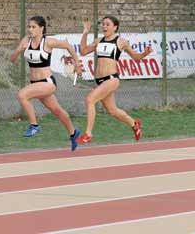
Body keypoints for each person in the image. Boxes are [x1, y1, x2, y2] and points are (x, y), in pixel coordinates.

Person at [10, 16, 83, 151]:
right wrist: (20, 49)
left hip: (47, 82)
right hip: (35, 83)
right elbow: (12, 59)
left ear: (41, 28)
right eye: (29, 27)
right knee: (57, 111)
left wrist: (77, 63)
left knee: (22, 95)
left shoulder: (48, 42)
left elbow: (67, 45)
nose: (30, 29)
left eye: (33, 27)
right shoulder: (26, 41)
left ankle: (34, 126)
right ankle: (73, 133)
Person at [78, 15, 153, 144]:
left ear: (115, 27)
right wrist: (85, 32)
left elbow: (135, 57)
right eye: (103, 24)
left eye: (107, 24)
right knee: (113, 111)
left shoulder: (121, 42)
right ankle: (134, 124)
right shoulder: (98, 41)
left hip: (111, 79)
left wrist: (145, 53)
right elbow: (83, 51)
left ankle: (88, 134)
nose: (104, 26)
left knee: (90, 99)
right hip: (100, 80)